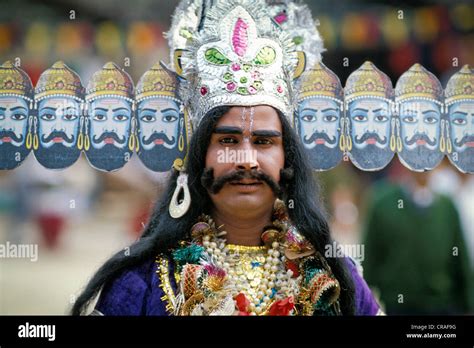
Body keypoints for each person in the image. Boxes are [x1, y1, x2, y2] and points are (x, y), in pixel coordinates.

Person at [72, 0, 382, 316]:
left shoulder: (336, 281)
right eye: (228, 140)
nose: (246, 160)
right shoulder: (141, 282)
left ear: (286, 160)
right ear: (199, 156)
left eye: (263, 141)